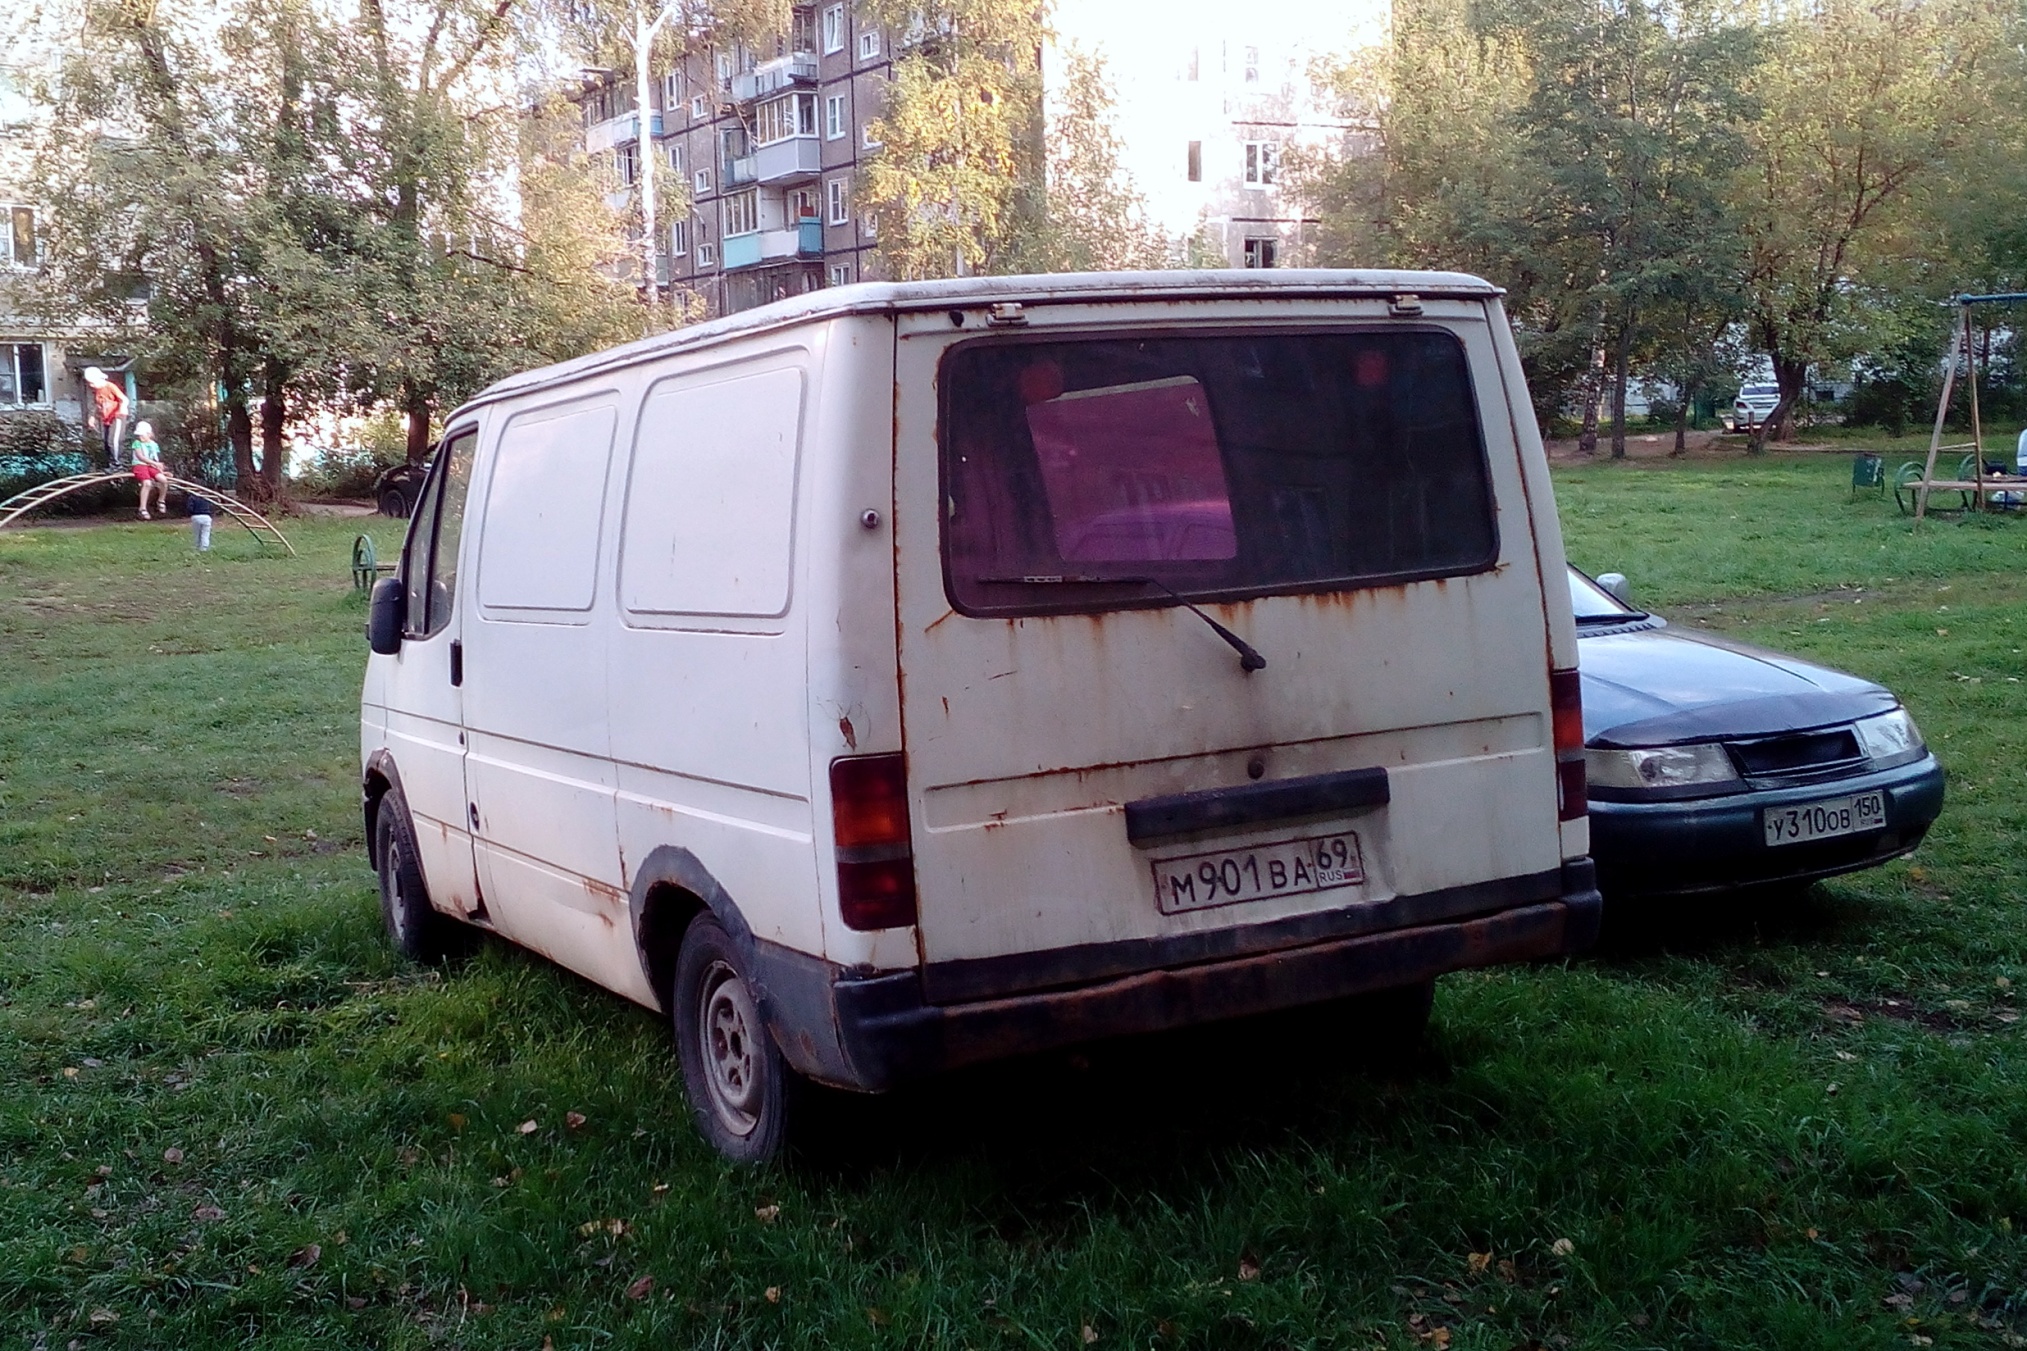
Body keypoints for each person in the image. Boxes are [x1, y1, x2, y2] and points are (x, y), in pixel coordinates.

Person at [82, 367, 130, 471]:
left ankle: (118, 464)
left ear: (99, 379)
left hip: (117, 417)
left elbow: (124, 399)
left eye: (92, 383)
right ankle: (111, 465)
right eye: (89, 383)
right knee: (106, 443)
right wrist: (92, 417)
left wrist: (121, 409)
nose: (91, 385)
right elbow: (98, 405)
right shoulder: (97, 391)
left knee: (114, 441)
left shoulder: (110, 386)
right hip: (107, 419)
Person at [130, 420, 167, 519]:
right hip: (140, 465)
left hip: (151, 466)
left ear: (149, 434)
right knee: (147, 483)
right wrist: (155, 463)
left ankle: (161, 500)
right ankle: (142, 508)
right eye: (139, 435)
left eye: (143, 435)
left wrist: (160, 468)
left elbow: (156, 459)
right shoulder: (137, 443)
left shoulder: (154, 445)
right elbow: (141, 457)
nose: (140, 437)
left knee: (163, 480)